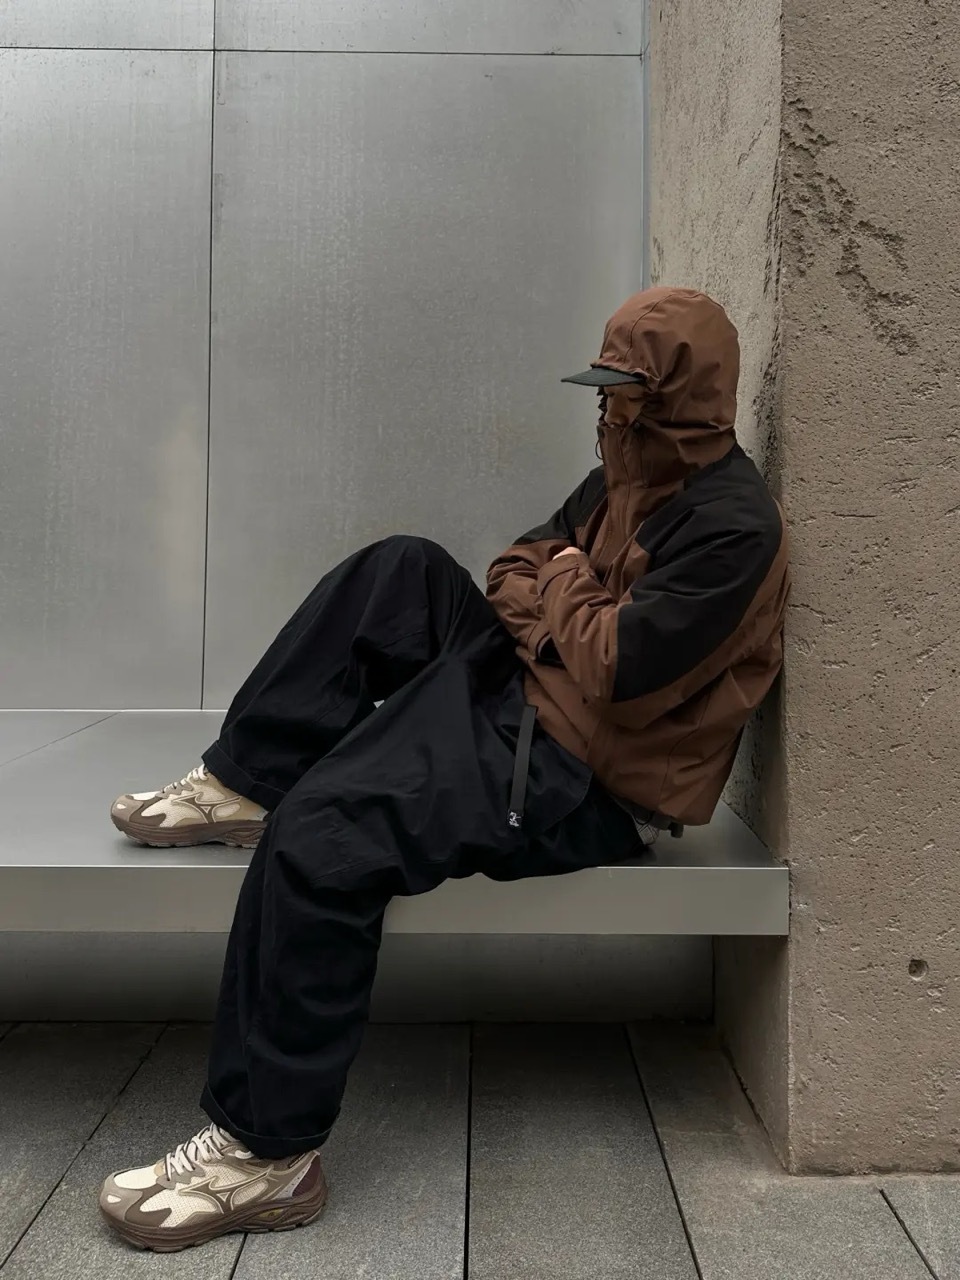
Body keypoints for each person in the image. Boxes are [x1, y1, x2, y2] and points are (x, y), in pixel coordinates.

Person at [99, 286, 790, 1253]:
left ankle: (267, 1155)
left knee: (323, 836)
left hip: (582, 783)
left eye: (619, 392)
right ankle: (246, 779)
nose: (602, 410)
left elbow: (617, 671)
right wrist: (564, 606)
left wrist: (562, 583)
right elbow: (513, 566)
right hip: (536, 703)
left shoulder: (734, 528)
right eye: (601, 391)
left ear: (673, 397)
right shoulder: (624, 473)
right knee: (404, 570)